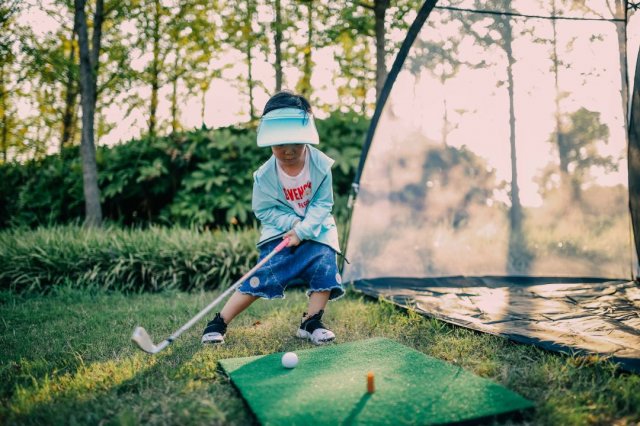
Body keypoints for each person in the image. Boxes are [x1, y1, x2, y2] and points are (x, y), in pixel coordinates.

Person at [201, 91, 344, 346]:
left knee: (325, 264)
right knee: (263, 274)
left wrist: (304, 230)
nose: (288, 152)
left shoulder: (321, 165)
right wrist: (292, 224)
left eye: (295, 145)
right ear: (269, 140)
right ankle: (219, 321)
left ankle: (311, 321)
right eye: (280, 145)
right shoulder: (264, 175)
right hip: (280, 234)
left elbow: (324, 204)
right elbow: (264, 210)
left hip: (317, 230)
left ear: (305, 138)